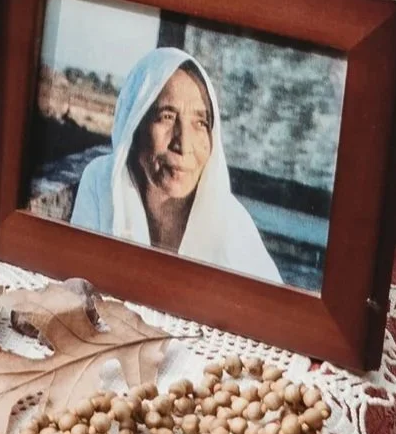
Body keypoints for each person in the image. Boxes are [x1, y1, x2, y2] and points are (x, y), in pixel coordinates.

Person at [66, 47, 282, 282]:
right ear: (135, 124)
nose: (183, 144)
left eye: (201, 123)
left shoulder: (233, 227)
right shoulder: (101, 181)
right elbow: (78, 285)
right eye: (166, 116)